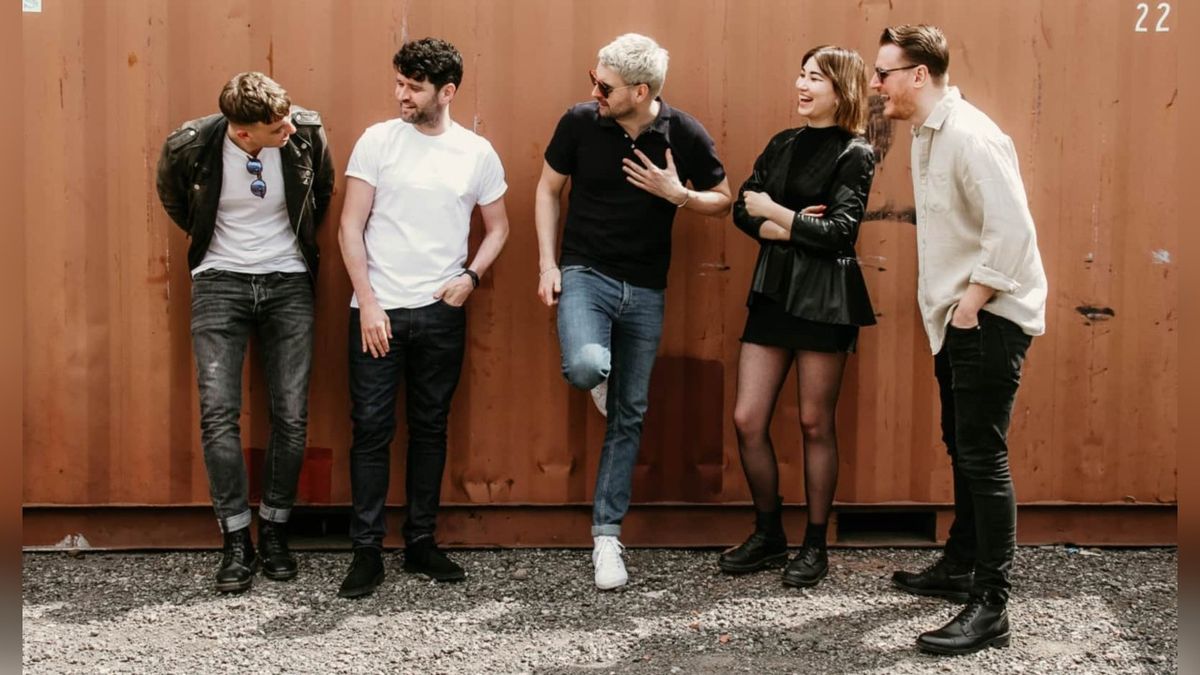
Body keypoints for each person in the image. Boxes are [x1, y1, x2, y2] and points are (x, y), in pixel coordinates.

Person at [872, 24, 1047, 655]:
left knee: (983, 457)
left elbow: (1013, 232)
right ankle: (961, 565)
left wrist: (971, 305)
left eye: (884, 73)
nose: (875, 85)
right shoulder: (927, 134)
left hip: (987, 317)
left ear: (919, 75)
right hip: (957, 318)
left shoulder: (972, 136)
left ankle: (991, 606)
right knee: (962, 446)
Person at [534, 33, 732, 590]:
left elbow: (724, 200)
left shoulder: (683, 133)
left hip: (646, 289)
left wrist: (679, 194)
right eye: (594, 80)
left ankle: (607, 537)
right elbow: (547, 191)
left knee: (629, 416)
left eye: (605, 86)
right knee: (586, 367)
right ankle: (604, 378)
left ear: (640, 92)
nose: (594, 92)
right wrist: (548, 264)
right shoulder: (579, 122)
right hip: (585, 273)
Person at [336, 38, 510, 598]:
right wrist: (367, 302)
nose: (401, 95)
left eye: (414, 87)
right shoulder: (377, 141)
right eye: (400, 83)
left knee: (430, 428)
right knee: (371, 429)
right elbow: (350, 226)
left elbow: (499, 228)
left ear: (447, 92)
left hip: (440, 313)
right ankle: (367, 552)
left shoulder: (476, 153)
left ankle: (420, 543)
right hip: (378, 313)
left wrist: (471, 277)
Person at [156, 72, 334, 593]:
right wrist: (218, 248)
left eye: (288, 121)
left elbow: (320, 193)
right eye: (276, 129)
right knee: (218, 414)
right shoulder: (190, 146)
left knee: (291, 414)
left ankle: (275, 530)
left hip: (289, 281)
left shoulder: (306, 133)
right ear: (242, 133)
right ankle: (236, 539)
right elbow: (176, 200)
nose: (289, 130)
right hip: (219, 282)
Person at [719, 46, 876, 589]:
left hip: (825, 300)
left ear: (840, 88)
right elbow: (743, 209)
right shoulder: (782, 143)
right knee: (747, 419)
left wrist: (775, 211)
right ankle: (768, 534)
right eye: (801, 75)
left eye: (815, 78)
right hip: (773, 291)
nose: (802, 85)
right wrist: (789, 227)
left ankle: (814, 544)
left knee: (814, 423)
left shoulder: (855, 152)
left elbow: (840, 233)